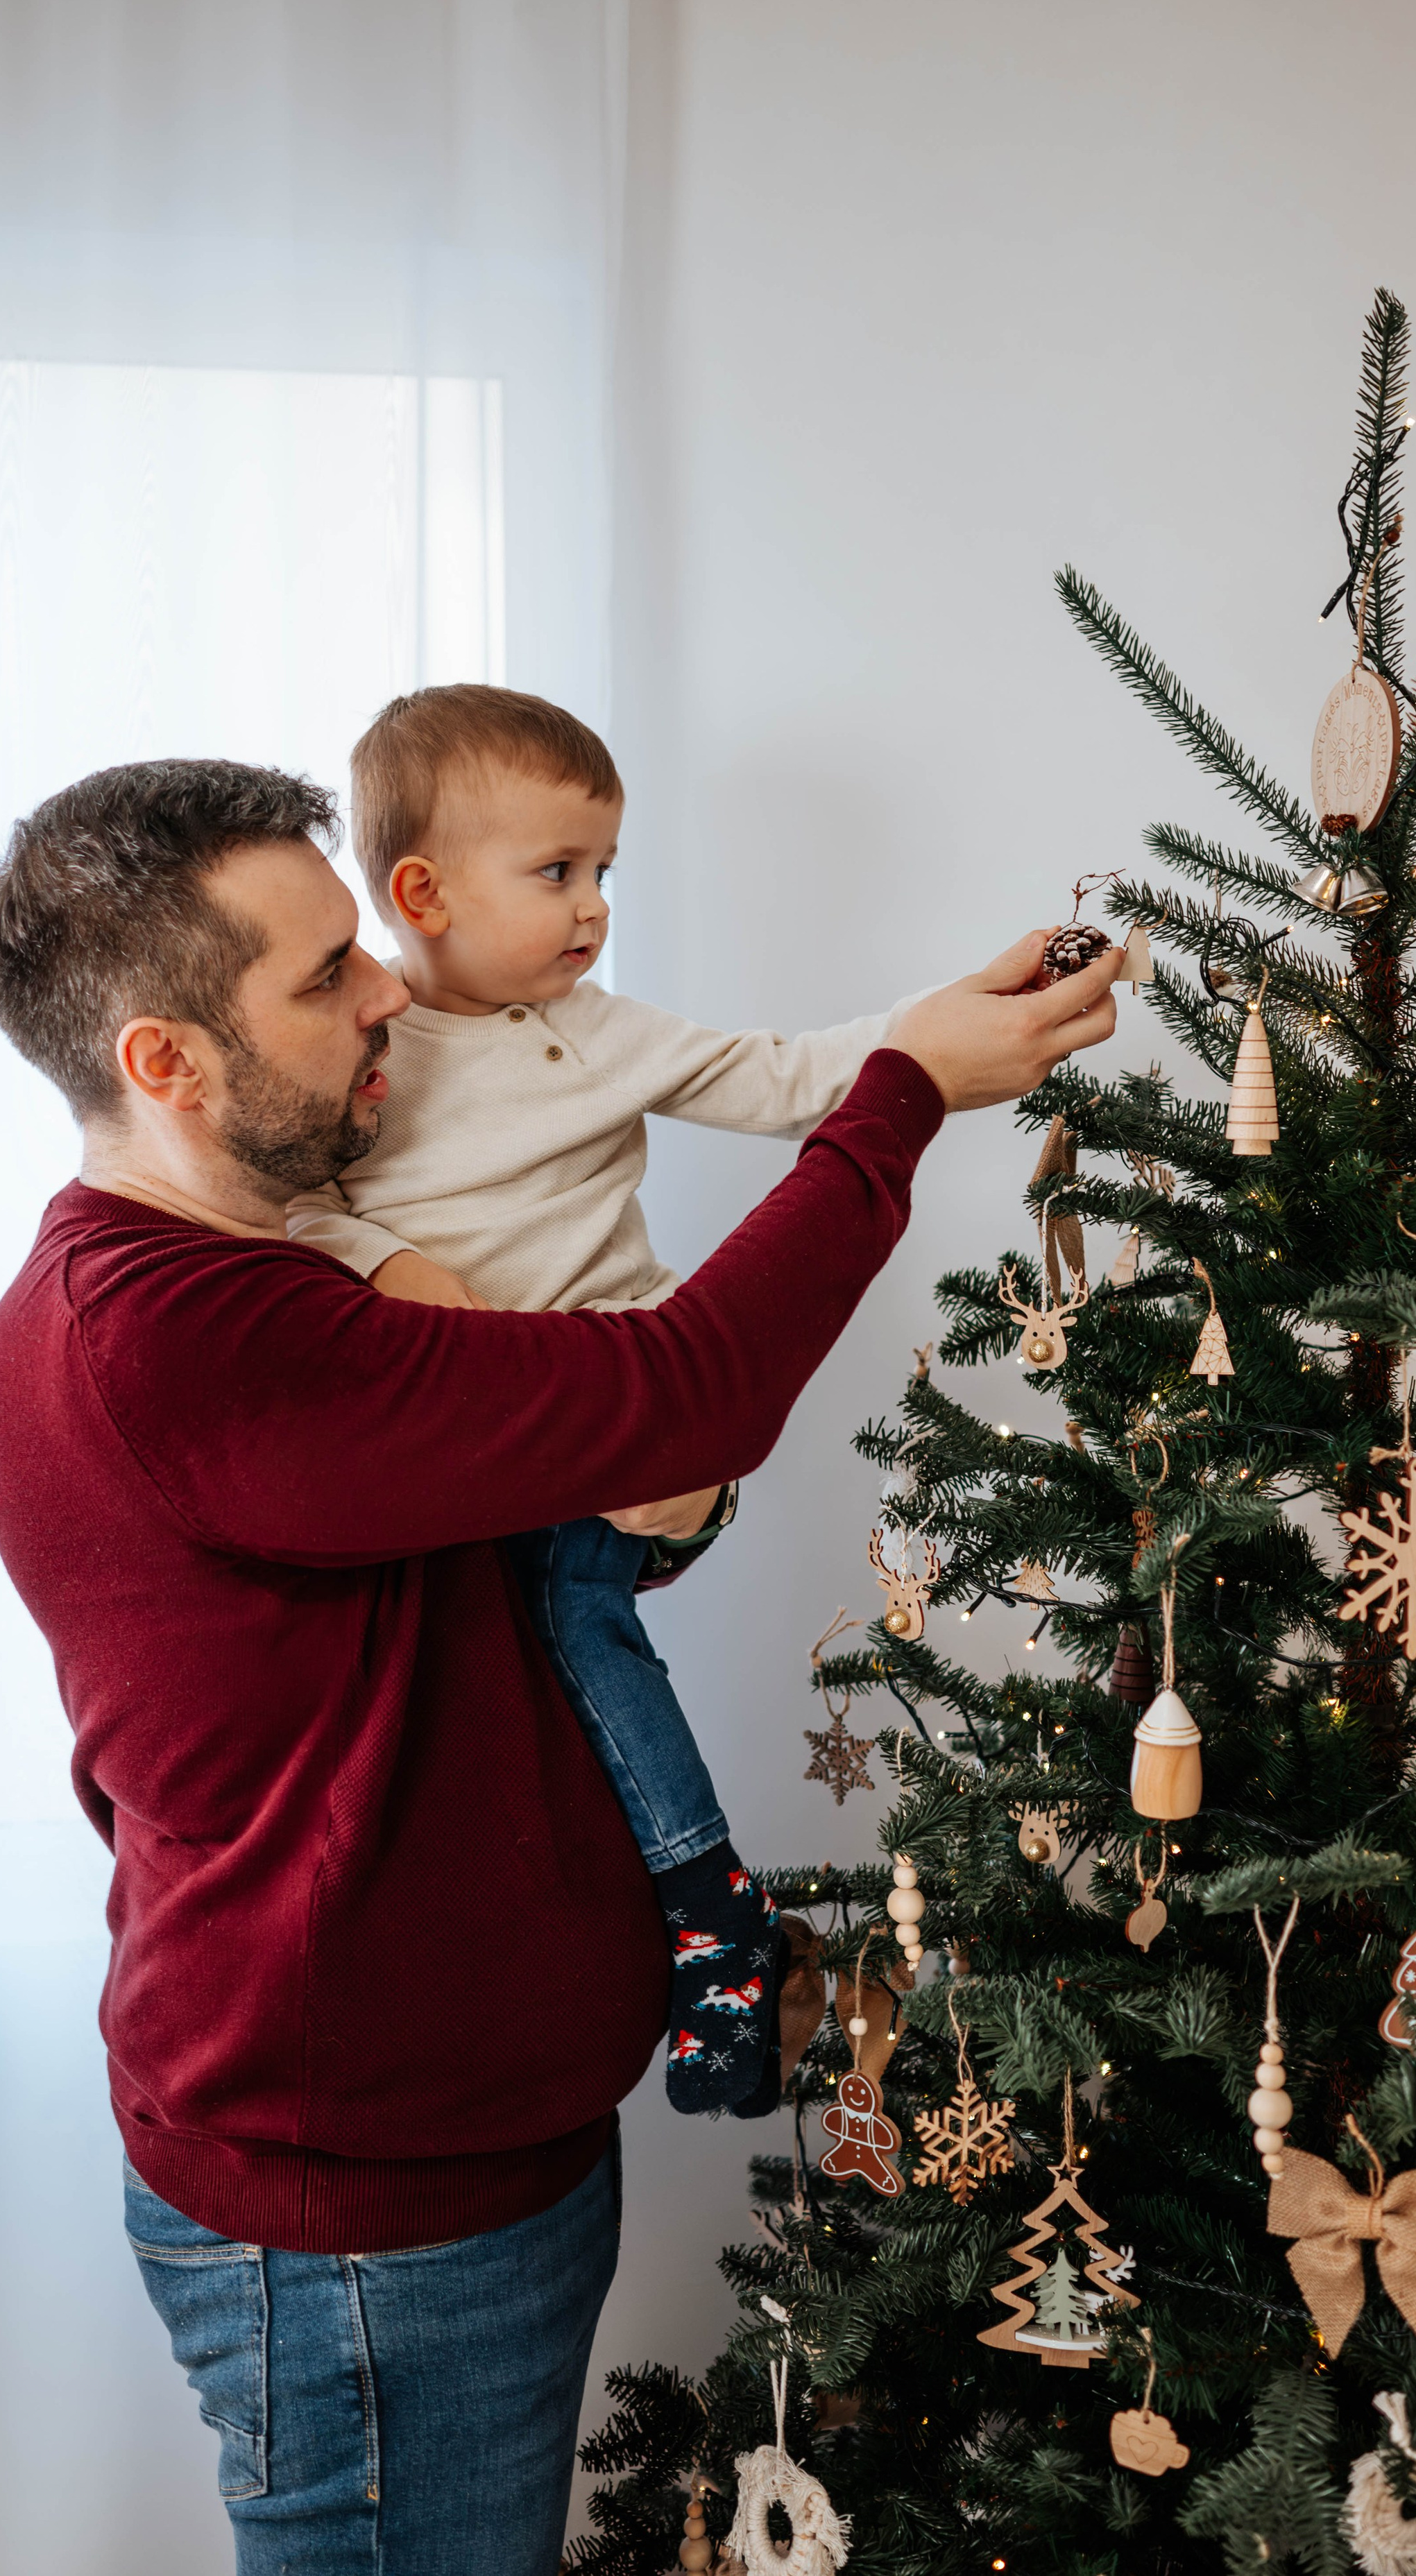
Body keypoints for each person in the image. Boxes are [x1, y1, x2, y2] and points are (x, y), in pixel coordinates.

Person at [0, 755, 1118, 2575]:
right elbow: (690, 1390)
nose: (391, 993)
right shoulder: (196, 1342)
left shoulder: (267, 1290)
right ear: (166, 1062)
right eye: (325, 971)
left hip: (438, 2175)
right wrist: (901, 1098)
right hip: (367, 2229)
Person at [288, 684, 932, 2118]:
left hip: (620, 1432)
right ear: (420, 891)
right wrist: (385, 1252)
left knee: (576, 1616)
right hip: (484, 1450)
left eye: (603, 874)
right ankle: (671, 1935)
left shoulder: (594, 1029)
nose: (590, 908)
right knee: (507, 1662)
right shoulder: (366, 1064)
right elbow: (286, 1219)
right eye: (557, 872)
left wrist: (931, 1036)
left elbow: (785, 1079)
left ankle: (718, 1929)